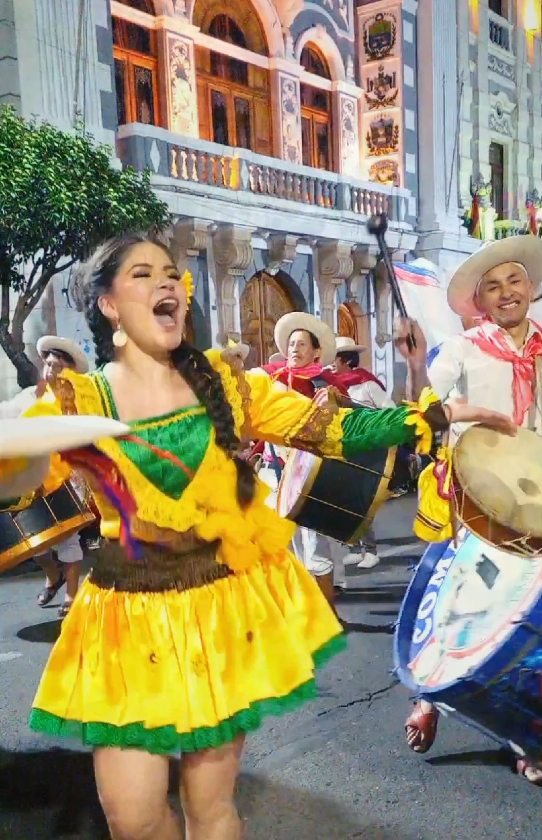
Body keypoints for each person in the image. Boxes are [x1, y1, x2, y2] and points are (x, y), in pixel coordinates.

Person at [0, 234, 515, 840]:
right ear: (108, 304)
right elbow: (22, 481)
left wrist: (436, 413)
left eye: (172, 273)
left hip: (217, 613)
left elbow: (335, 429)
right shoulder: (74, 401)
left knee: (209, 809)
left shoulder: (229, 385)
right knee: (133, 819)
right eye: (143, 275)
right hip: (125, 621)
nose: (168, 282)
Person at [401, 235, 542, 785]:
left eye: (514, 281)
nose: (506, 293)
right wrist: (414, 366)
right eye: (493, 286)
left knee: (532, 621)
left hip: (538, 508)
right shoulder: (463, 349)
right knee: (459, 605)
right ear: (480, 300)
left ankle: (523, 736)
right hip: (476, 504)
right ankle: (429, 694)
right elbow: (423, 411)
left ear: (530, 289)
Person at [258, 313, 354, 603]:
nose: (294, 350)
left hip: (309, 475)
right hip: (273, 471)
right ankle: (299, 611)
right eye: (291, 344)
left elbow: (345, 421)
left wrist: (335, 403)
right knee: (281, 544)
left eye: (301, 344)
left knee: (314, 547)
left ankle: (329, 613)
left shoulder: (325, 384)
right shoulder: (270, 376)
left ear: (315, 351)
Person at [0, 335, 91, 618]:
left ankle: (71, 593)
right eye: (49, 365)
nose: (51, 371)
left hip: (68, 478)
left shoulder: (80, 401)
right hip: (34, 479)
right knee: (36, 543)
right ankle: (53, 577)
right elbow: (8, 414)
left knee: (68, 540)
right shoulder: (31, 396)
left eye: (58, 366)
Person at [331, 336, 395, 570]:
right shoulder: (334, 386)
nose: (331, 363)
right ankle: (357, 546)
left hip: (366, 451)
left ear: (346, 360)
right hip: (343, 449)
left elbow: (389, 412)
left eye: (335, 358)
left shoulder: (366, 384)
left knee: (360, 503)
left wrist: (364, 420)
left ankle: (370, 550)